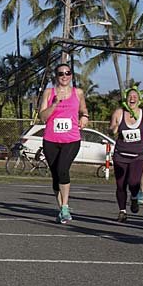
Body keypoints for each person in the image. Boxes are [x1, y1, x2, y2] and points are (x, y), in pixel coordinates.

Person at [38, 63, 89, 224]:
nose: (64, 76)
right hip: (51, 140)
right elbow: (43, 117)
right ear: (56, 76)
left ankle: (65, 206)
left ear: (71, 75)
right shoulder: (49, 92)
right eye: (61, 74)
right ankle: (62, 209)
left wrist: (85, 116)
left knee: (62, 170)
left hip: (71, 139)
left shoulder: (78, 93)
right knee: (55, 176)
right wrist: (54, 104)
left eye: (67, 73)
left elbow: (83, 110)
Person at [108, 88, 143, 222]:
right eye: (130, 96)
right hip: (121, 154)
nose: (132, 98)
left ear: (139, 99)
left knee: (134, 181)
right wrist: (115, 128)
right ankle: (122, 211)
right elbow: (111, 128)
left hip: (138, 154)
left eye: (135, 96)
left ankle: (135, 197)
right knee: (120, 184)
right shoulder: (119, 112)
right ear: (126, 98)